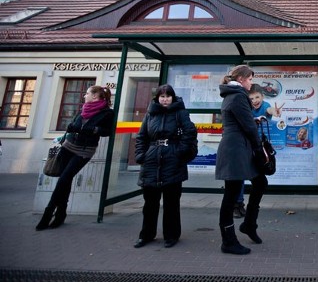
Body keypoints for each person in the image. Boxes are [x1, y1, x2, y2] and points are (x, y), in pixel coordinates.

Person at [36, 85, 115, 231]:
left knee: (64, 178)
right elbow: (75, 125)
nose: (84, 96)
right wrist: (71, 128)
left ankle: (48, 213)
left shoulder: (107, 113)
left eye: (87, 93)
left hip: (84, 150)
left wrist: (93, 129)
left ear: (95, 96)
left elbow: (107, 131)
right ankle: (61, 214)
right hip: (68, 146)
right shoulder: (83, 109)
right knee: (65, 180)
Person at [133, 84, 198, 248]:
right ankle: (146, 235)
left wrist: (179, 151)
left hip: (172, 160)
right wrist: (141, 155)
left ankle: (171, 235)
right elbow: (142, 137)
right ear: (157, 98)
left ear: (173, 97)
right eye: (162, 96)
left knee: (171, 202)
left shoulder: (180, 112)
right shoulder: (150, 114)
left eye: (168, 96)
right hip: (152, 160)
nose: (165, 99)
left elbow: (190, 131)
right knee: (150, 203)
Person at [216, 65, 269, 255]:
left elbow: (244, 121)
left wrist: (253, 123)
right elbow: (248, 126)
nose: (251, 82)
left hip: (239, 146)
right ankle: (228, 241)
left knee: (260, 182)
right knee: (231, 194)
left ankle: (249, 224)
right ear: (240, 79)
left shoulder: (233, 95)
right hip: (235, 149)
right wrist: (259, 151)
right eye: (249, 79)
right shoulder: (238, 96)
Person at [229, 84, 284, 219]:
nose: (255, 100)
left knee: (259, 179)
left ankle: (251, 211)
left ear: (262, 96)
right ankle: (238, 204)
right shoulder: (245, 106)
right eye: (251, 98)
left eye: (257, 97)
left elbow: (269, 110)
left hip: (258, 147)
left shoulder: (264, 106)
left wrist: (275, 112)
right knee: (240, 176)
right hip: (244, 145)